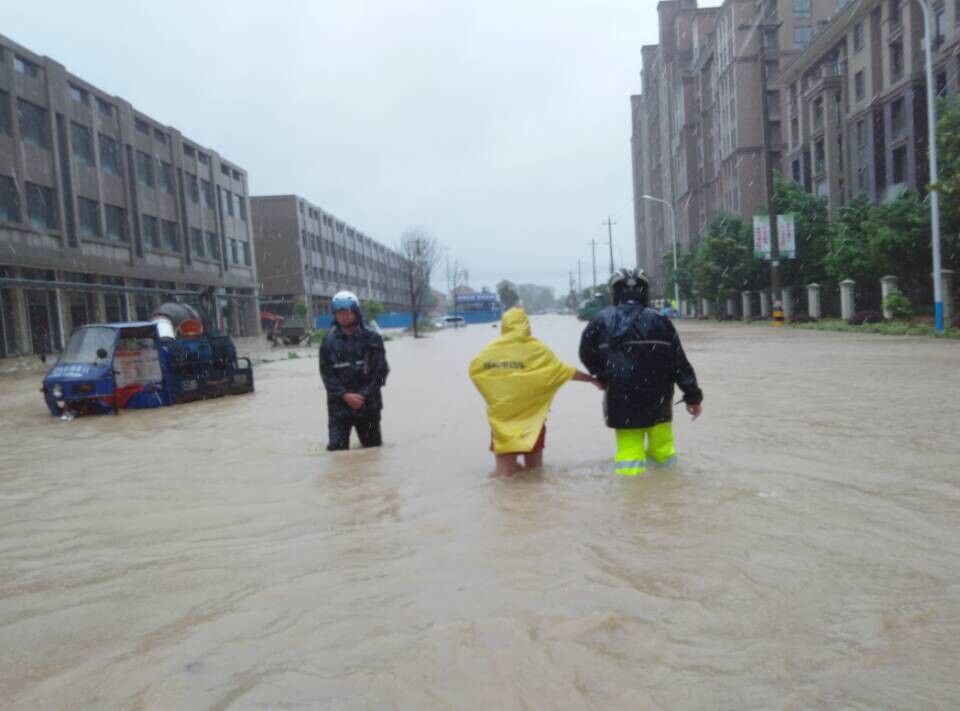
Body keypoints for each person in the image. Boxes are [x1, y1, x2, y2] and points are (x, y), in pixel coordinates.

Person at [579, 268, 703, 476]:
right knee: (663, 452)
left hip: (621, 401)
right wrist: (693, 397)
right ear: (645, 292)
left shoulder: (600, 320)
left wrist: (603, 375)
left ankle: (632, 493)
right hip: (659, 400)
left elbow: (586, 354)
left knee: (629, 455)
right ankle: (669, 490)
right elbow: (679, 363)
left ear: (614, 292)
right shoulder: (660, 320)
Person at [470, 307, 600, 476]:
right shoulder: (537, 349)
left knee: (504, 477)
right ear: (526, 325)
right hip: (534, 422)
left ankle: (502, 495)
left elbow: (475, 372)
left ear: (504, 325)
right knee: (535, 475)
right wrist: (592, 380)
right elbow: (563, 371)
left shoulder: (489, 351)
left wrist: (495, 394)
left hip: (501, 423)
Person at [319, 291, 390, 451]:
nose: (344, 316)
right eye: (340, 312)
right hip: (339, 407)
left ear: (356, 312)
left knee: (372, 451)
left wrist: (363, 395)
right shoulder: (328, 342)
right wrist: (345, 395)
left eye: (348, 312)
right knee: (336, 452)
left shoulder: (372, 339)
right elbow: (327, 375)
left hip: (368, 405)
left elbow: (381, 373)